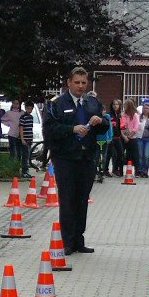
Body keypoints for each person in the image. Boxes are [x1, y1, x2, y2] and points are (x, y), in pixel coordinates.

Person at [43, 66, 107, 253]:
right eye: (77, 82)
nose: (80, 86)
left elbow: (105, 128)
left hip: (87, 158)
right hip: (65, 158)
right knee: (68, 199)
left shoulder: (92, 103)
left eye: (84, 83)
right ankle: (67, 241)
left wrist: (100, 121)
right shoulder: (57, 104)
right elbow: (50, 130)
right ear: (68, 82)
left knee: (82, 199)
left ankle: (79, 240)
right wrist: (72, 129)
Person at [117, 99, 140, 176]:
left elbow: (136, 128)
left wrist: (129, 137)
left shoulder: (135, 115)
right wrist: (124, 137)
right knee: (121, 154)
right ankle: (120, 171)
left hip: (133, 138)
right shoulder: (123, 115)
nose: (124, 107)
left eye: (125, 105)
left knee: (135, 155)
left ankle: (137, 171)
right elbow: (121, 126)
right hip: (124, 137)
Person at [4, 101, 26, 171]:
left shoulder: (22, 113)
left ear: (19, 105)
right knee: (13, 152)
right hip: (12, 134)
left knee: (19, 152)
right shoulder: (9, 113)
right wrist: (9, 124)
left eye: (17, 104)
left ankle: (17, 167)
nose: (15, 105)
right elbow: (3, 119)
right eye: (14, 103)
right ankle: (11, 167)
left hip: (19, 135)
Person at [136, 103, 149, 177]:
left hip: (148, 140)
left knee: (146, 156)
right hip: (140, 139)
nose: (145, 110)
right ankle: (140, 171)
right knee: (140, 155)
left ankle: (145, 171)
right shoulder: (139, 117)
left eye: (147, 108)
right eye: (144, 108)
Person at [19, 101, 38, 173]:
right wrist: (22, 139)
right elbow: (21, 128)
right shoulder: (23, 117)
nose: (29, 110)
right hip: (25, 139)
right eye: (28, 109)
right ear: (26, 108)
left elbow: (30, 128)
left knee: (28, 155)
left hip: (29, 139)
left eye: (31, 109)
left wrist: (31, 138)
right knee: (25, 155)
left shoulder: (31, 117)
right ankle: (24, 171)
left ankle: (26, 170)